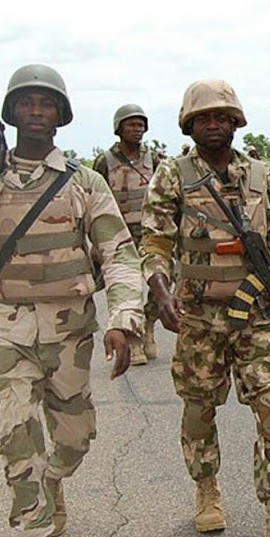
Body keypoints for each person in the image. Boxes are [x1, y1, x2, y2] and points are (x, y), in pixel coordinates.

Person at [0, 64, 145, 537]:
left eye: (46, 103)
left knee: (75, 439)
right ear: (11, 113)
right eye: (26, 102)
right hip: (6, 329)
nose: (36, 111)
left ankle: (53, 480)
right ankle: (36, 525)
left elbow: (119, 254)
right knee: (14, 432)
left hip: (69, 331)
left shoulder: (83, 183)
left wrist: (123, 318)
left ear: (60, 114)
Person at [140, 79, 270, 537]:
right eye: (203, 117)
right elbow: (156, 241)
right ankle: (207, 491)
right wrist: (161, 292)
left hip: (258, 316)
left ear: (236, 122)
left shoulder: (261, 176)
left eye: (222, 117)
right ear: (189, 125)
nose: (213, 124)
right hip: (199, 315)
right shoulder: (172, 175)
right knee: (199, 409)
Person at [93, 103, 165, 366]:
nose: (138, 129)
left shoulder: (154, 159)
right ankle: (134, 341)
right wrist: (94, 241)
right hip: (118, 237)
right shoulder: (105, 161)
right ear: (119, 128)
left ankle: (149, 324)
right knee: (128, 288)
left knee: (161, 282)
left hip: (150, 233)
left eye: (141, 125)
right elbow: (94, 200)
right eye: (132, 125)